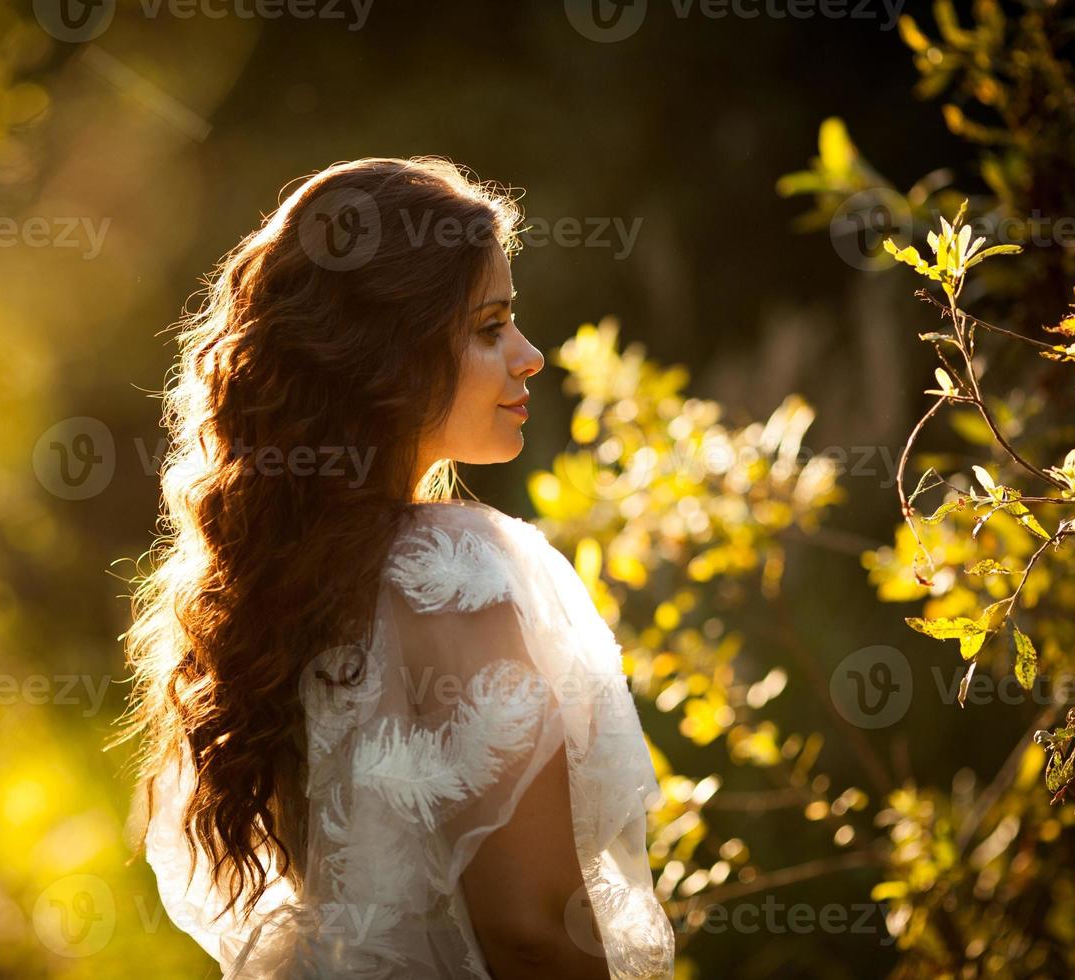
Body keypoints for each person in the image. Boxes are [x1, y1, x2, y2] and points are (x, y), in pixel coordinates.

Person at [116, 156, 675, 979]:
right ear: (387, 357)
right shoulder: (453, 573)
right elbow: (533, 929)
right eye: (489, 329)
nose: (531, 356)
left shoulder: (286, 574)